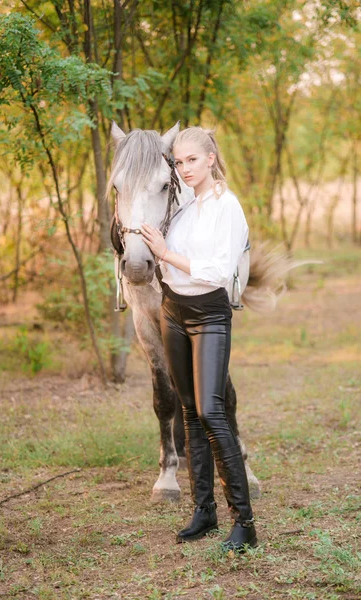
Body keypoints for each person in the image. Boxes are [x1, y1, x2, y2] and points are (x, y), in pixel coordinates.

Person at [140, 126, 257, 552]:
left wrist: (165, 252)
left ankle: (244, 521)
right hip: (172, 310)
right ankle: (203, 510)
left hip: (208, 313)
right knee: (188, 412)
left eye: (192, 159)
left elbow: (217, 272)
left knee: (212, 411)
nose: (185, 168)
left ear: (210, 158)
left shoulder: (227, 208)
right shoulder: (182, 208)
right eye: (179, 162)